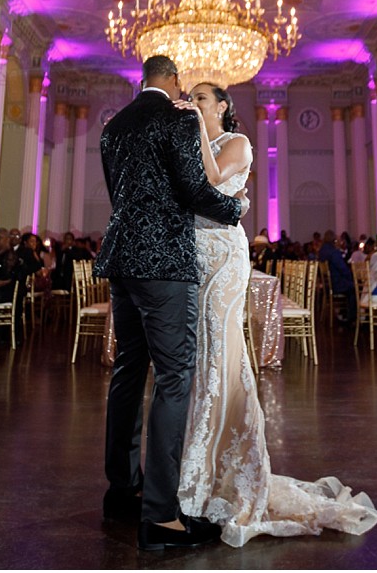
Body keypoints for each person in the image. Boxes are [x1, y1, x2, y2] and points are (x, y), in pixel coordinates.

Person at [174, 80, 377, 547]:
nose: (193, 103)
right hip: (192, 255)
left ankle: (216, 472)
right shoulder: (192, 141)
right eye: (192, 97)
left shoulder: (237, 143)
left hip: (224, 258)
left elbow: (207, 182)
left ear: (223, 106)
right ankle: (195, 466)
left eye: (201, 98)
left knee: (219, 354)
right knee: (195, 357)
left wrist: (193, 131)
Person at [95, 56, 246, 551]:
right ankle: (161, 516)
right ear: (175, 80)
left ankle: (122, 489)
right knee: (175, 377)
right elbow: (193, 188)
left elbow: (118, 193)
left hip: (121, 258)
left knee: (127, 370)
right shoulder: (178, 118)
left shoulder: (113, 125)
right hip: (163, 262)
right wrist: (236, 208)